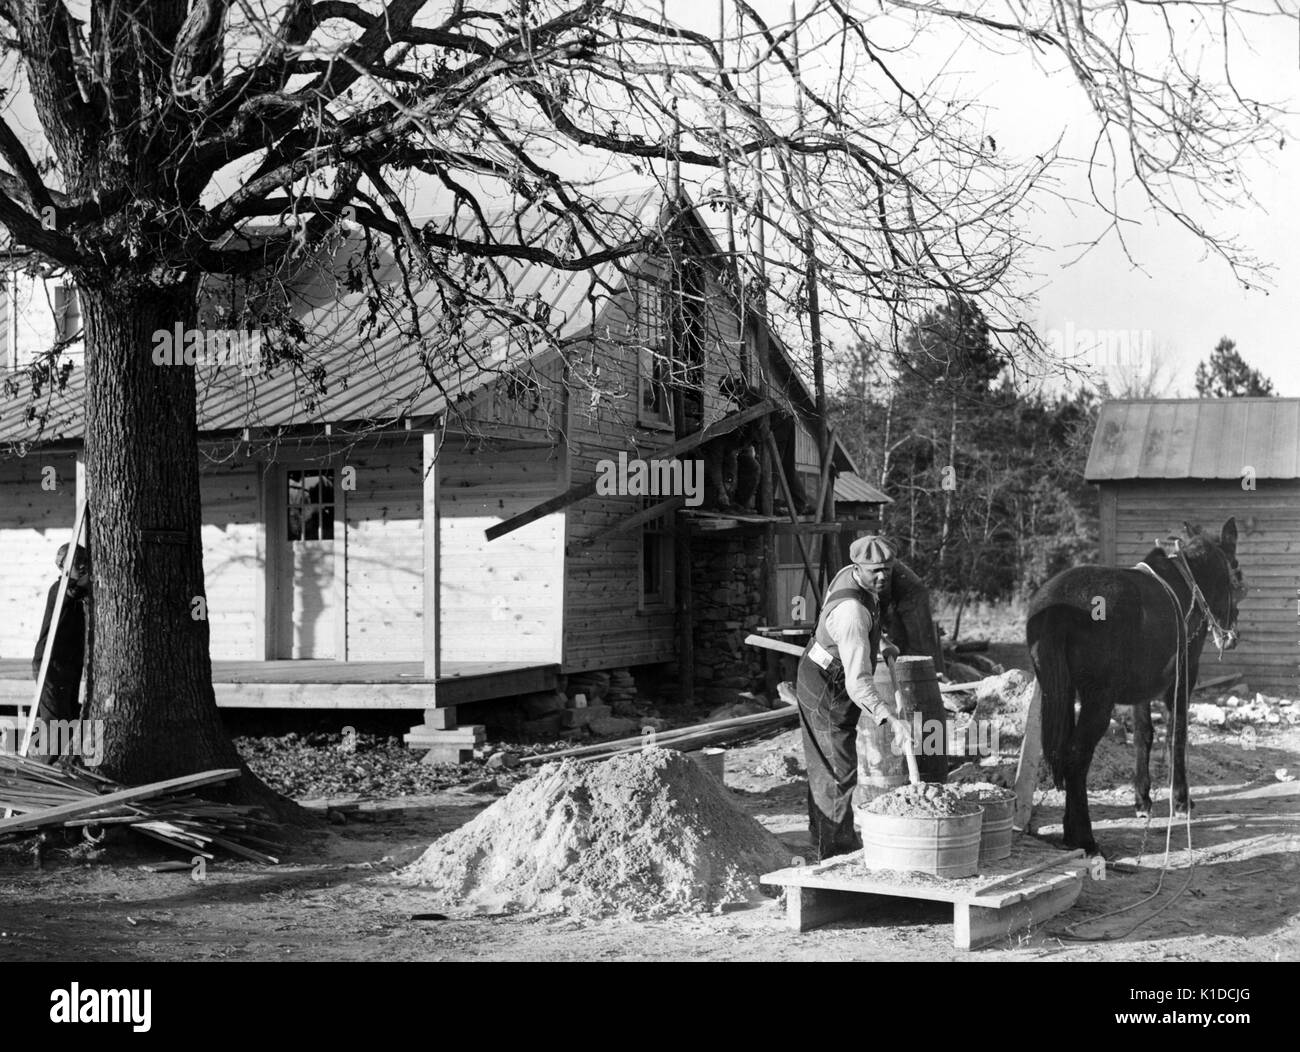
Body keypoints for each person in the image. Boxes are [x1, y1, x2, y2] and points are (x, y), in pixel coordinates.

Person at [796, 535, 912, 859]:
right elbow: (859, 684)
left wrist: (881, 642)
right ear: (859, 567)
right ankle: (838, 855)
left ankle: (823, 841)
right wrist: (890, 719)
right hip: (826, 683)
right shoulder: (851, 612)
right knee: (838, 768)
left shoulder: (854, 578)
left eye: (887, 570)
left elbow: (864, 625)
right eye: (875, 571)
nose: (882, 577)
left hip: (828, 667)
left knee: (828, 763)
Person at [31, 543, 92, 764]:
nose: (83, 565)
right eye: (77, 562)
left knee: (68, 720)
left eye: (85, 559)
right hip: (50, 664)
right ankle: (40, 771)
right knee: (55, 723)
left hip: (69, 666)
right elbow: (73, 590)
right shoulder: (59, 589)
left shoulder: (80, 591)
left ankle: (49, 764)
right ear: (63, 567)